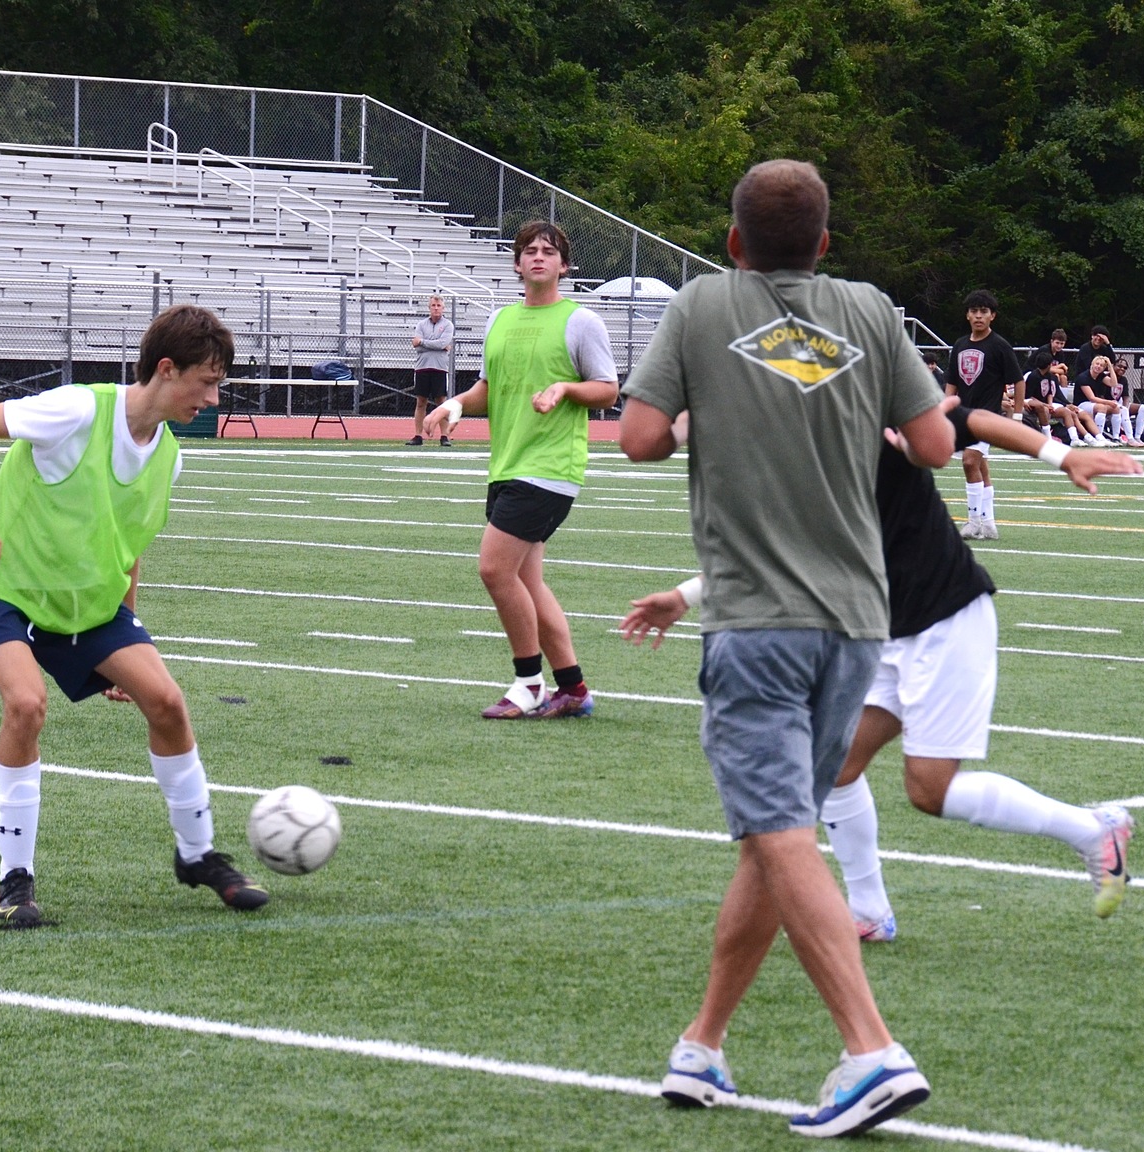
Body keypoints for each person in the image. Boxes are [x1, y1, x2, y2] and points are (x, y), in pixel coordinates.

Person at [618, 159, 953, 1137]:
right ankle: (703, 1046)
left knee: (778, 835)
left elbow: (638, 439)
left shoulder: (702, 304)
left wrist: (697, 408)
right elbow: (932, 446)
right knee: (778, 840)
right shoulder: (869, 310)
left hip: (756, 622)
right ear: (824, 243)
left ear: (732, 242)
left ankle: (868, 1049)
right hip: (855, 622)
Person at [623, 407, 1142, 947]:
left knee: (929, 789)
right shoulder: (789, 460)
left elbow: (977, 420)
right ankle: (869, 910)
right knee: (836, 768)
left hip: (948, 617)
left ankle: (1093, 830)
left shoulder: (868, 406)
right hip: (884, 629)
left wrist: (1063, 455)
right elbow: (763, 555)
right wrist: (683, 597)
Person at [0, 304, 269, 927]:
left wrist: (123, 640)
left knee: (166, 701)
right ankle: (15, 880)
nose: (214, 396)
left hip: (87, 604)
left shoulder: (167, 456)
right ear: (166, 370)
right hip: (3, 586)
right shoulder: (78, 409)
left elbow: (128, 547)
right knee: (26, 703)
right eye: (206, 381)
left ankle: (196, 855)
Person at [422, 221, 619, 720]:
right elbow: (488, 391)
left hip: (550, 467)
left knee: (493, 568)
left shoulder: (580, 322)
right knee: (528, 584)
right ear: (515, 264)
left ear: (563, 265)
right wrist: (455, 407)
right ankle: (572, 689)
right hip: (506, 463)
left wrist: (566, 390)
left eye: (548, 251)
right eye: (528, 250)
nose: (537, 257)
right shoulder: (500, 321)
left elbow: (608, 388)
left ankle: (529, 683)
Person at [946, 290, 1024, 541]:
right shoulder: (959, 345)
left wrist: (1018, 416)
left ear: (993, 316)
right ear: (967, 315)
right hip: (962, 414)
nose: (979, 316)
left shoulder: (1000, 346)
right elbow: (952, 382)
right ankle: (989, 524)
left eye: (984, 312)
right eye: (974, 311)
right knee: (980, 466)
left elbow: (1018, 381)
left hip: (986, 416)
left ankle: (973, 521)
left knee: (969, 461)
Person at [408, 294, 455, 446]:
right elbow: (418, 347)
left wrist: (423, 342)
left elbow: (442, 343)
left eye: (438, 306)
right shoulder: (421, 324)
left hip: (439, 368)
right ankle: (417, 435)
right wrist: (435, 345)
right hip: (422, 367)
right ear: (429, 307)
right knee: (421, 402)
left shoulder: (448, 325)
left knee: (441, 402)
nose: (436, 308)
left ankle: (444, 436)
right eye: (433, 306)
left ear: (443, 308)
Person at [1074, 355, 1123, 442]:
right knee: (1102, 407)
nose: (1098, 367)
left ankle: (1116, 437)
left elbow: (1114, 383)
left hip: (1092, 404)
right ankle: (1099, 436)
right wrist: (1108, 402)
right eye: (1097, 364)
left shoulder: (1100, 376)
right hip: (1081, 404)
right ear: (1092, 364)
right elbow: (1092, 398)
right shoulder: (1083, 377)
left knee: (1116, 408)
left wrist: (1110, 367)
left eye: (1101, 365)